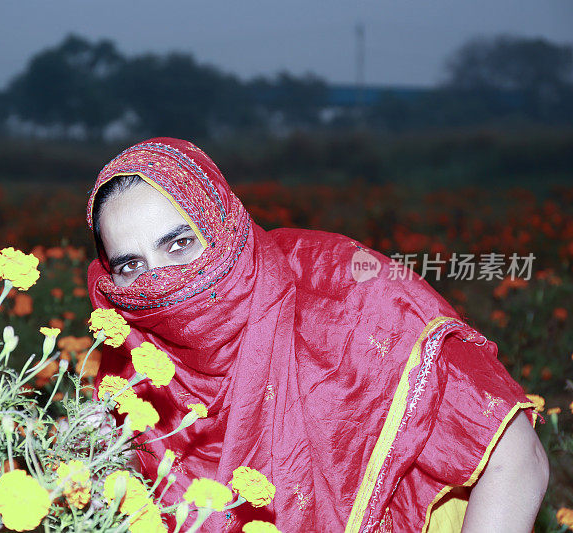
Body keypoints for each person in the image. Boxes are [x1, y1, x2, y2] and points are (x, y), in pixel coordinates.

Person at [86, 137, 548, 532]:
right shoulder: (133, 350)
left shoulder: (344, 293)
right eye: (131, 264)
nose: (162, 280)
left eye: (179, 243)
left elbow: (516, 457)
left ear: (221, 226)